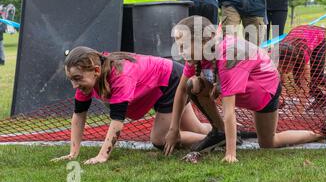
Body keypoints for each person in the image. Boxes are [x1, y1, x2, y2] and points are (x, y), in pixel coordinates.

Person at [164, 16, 326, 163]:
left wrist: (231, 153)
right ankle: (219, 131)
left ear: (205, 41)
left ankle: (318, 134)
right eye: (178, 47)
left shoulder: (228, 56)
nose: (180, 53)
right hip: (236, 87)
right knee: (192, 84)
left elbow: (229, 111)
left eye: (184, 46)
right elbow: (181, 91)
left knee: (269, 143)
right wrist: (174, 130)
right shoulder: (197, 55)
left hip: (263, 92)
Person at [51, 47, 211, 165]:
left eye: (77, 78)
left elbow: (117, 122)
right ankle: (227, 133)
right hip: (161, 83)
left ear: (96, 70)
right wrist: (73, 153)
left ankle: (217, 140)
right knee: (196, 129)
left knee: (160, 139)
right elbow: (79, 115)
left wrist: (102, 156)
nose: (74, 85)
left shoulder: (120, 76)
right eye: (70, 79)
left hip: (172, 82)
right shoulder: (86, 80)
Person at [279, 25, 326, 112]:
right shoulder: (275, 57)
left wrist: (299, 110)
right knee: (297, 80)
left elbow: (305, 84)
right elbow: (279, 81)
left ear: (294, 61)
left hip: (316, 36)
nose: (284, 70)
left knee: (316, 77)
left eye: (286, 67)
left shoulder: (303, 55)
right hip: (299, 35)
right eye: (281, 66)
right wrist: (280, 98)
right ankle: (321, 100)